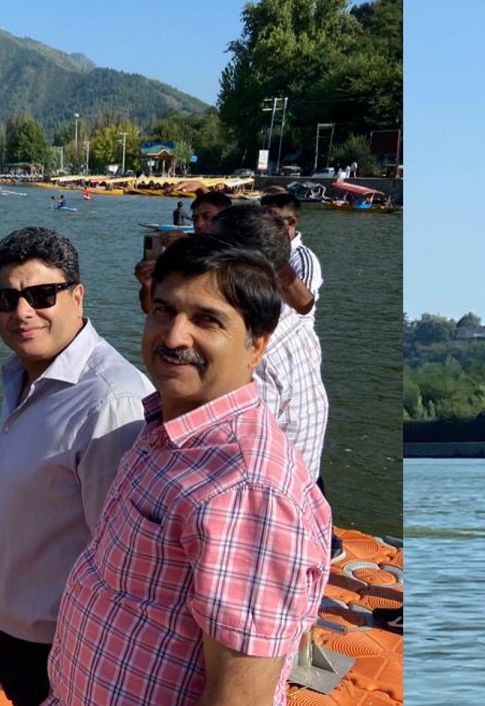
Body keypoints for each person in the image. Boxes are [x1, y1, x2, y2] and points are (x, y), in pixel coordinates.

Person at [49, 234, 330, 703]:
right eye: (164, 310)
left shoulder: (247, 490)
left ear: (256, 346)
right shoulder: (168, 424)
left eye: (207, 320)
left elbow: (239, 698)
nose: (174, 336)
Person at [0, 228, 149, 704]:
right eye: (6, 298)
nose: (22, 312)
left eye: (41, 295)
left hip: (66, 645)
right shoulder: (25, 376)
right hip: (19, 631)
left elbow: (122, 561)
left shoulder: (109, 403)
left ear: (76, 296)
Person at [204, 205, 329, 482]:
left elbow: (239, 457)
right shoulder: (293, 324)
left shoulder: (250, 353)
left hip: (266, 500)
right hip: (306, 482)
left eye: (209, 250)